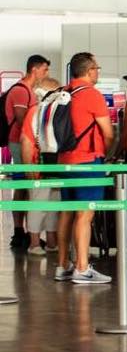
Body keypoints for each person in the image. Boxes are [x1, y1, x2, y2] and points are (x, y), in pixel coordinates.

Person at [55, 52, 115, 284]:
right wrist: (107, 154)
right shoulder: (92, 95)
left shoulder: (63, 92)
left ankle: (62, 265)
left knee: (67, 212)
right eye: (97, 68)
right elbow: (108, 133)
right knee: (85, 214)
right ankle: (82, 267)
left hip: (64, 160)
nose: (98, 72)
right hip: (87, 160)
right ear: (90, 71)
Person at [3, 54, 51, 250]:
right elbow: (25, 123)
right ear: (35, 69)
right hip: (20, 143)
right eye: (44, 69)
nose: (46, 73)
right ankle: (23, 233)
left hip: (21, 142)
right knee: (27, 186)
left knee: (23, 186)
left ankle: (23, 232)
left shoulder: (27, 90)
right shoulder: (22, 91)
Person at [18, 76, 61, 256]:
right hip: (40, 165)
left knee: (53, 205)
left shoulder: (51, 111)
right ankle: (34, 242)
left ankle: (51, 241)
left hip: (52, 165)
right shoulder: (35, 111)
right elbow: (26, 141)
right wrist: (29, 167)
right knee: (38, 204)